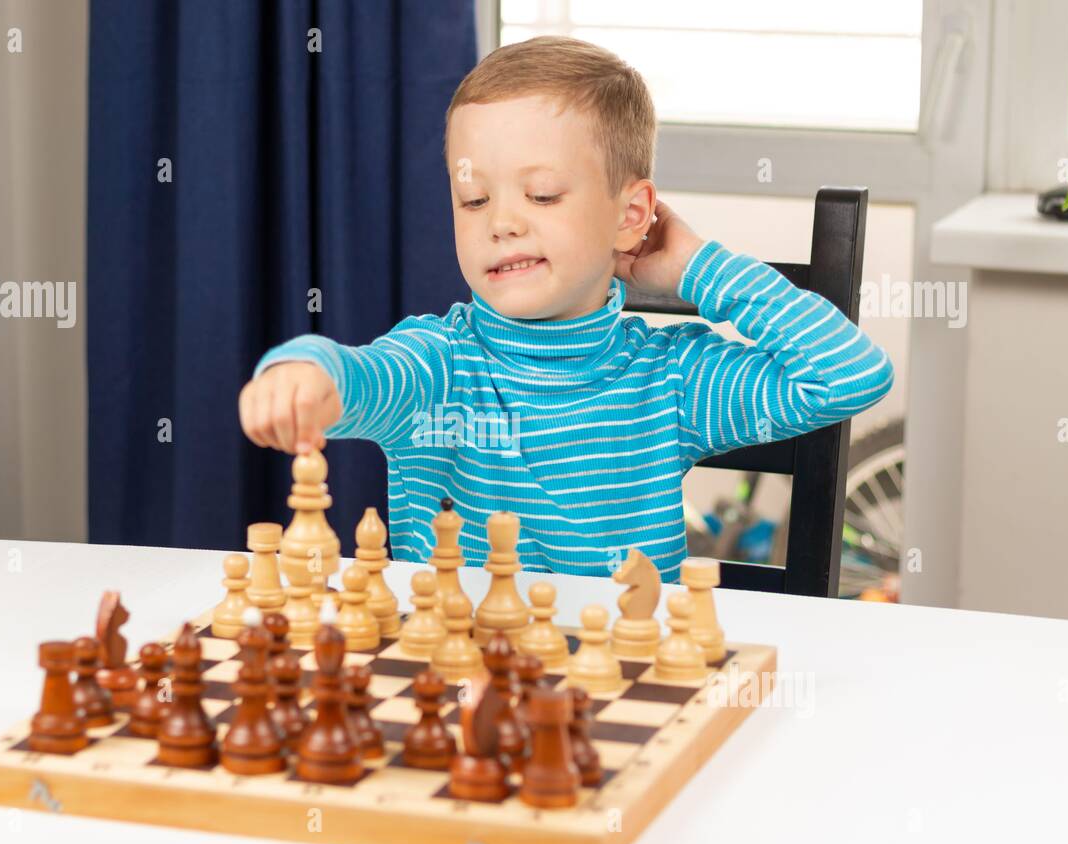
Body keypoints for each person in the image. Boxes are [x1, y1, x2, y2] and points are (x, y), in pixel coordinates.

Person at [240, 36, 893, 581]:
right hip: (457, 692)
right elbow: (350, 374)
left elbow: (849, 373)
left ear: (631, 215)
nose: (502, 223)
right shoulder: (435, 365)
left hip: (621, 688)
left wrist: (696, 268)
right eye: (473, 200)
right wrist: (299, 372)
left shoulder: (673, 380)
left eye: (543, 194)